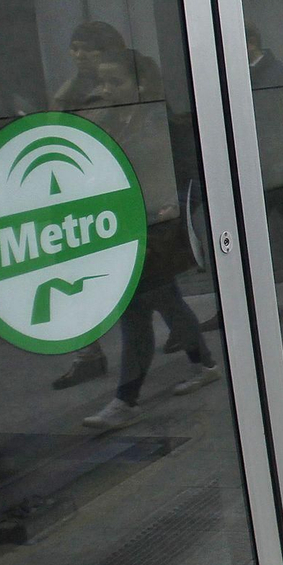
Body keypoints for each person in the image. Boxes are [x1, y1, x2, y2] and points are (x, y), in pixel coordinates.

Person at [81, 51, 219, 431]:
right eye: (103, 82)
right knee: (166, 303)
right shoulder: (108, 121)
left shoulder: (161, 122)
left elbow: (191, 174)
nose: (107, 90)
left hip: (155, 230)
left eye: (116, 82)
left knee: (138, 311)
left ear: (141, 85)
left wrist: (173, 205)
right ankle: (203, 362)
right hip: (126, 227)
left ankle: (126, 399)